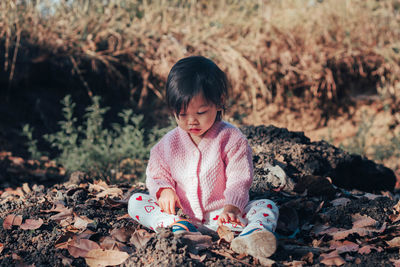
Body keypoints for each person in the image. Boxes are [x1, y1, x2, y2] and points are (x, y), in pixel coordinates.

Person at [128, 56, 279, 258]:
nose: (192, 121)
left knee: (267, 206)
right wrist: (164, 190)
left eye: (200, 112)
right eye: (182, 115)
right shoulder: (168, 144)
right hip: (181, 215)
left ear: (219, 102)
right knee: (136, 201)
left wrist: (232, 208)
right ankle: (174, 228)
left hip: (222, 216)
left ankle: (252, 235)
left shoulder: (231, 138)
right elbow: (157, 171)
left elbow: (239, 178)